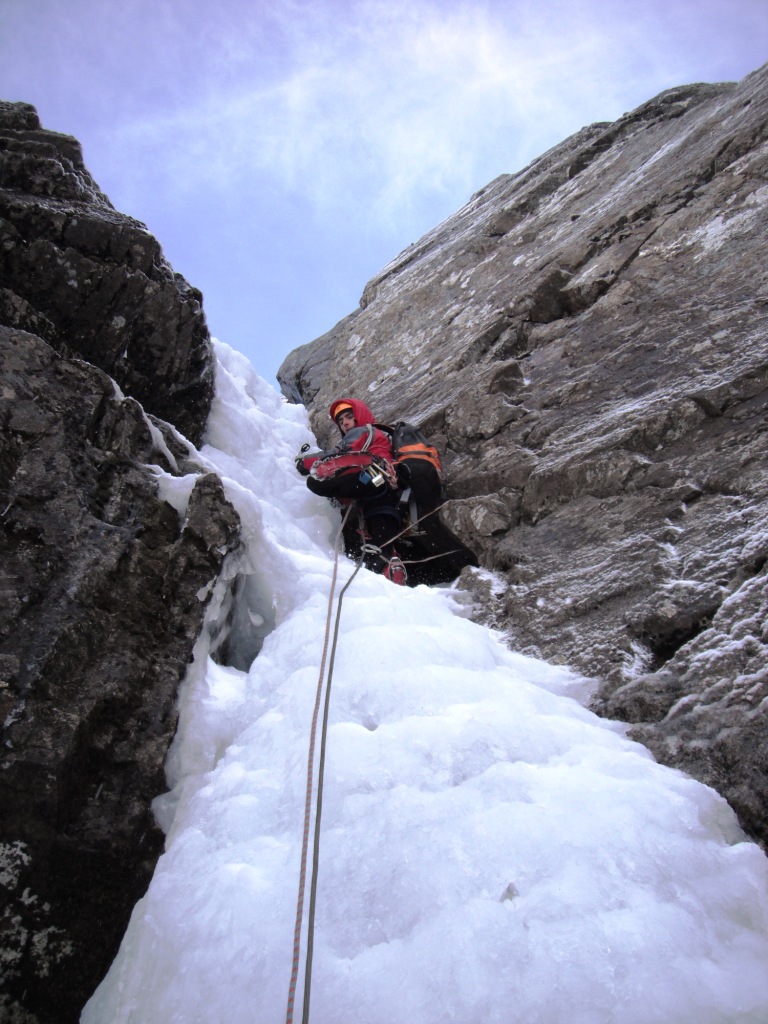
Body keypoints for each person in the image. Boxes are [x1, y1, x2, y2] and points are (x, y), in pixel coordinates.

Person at [295, 397, 406, 584]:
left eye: (348, 417)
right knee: (378, 511)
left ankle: (381, 563)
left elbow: (337, 455)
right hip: (384, 483)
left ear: (359, 416)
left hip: (373, 476)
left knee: (315, 482)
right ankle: (389, 565)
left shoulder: (361, 431)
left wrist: (305, 463)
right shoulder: (378, 434)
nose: (345, 423)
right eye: (341, 421)